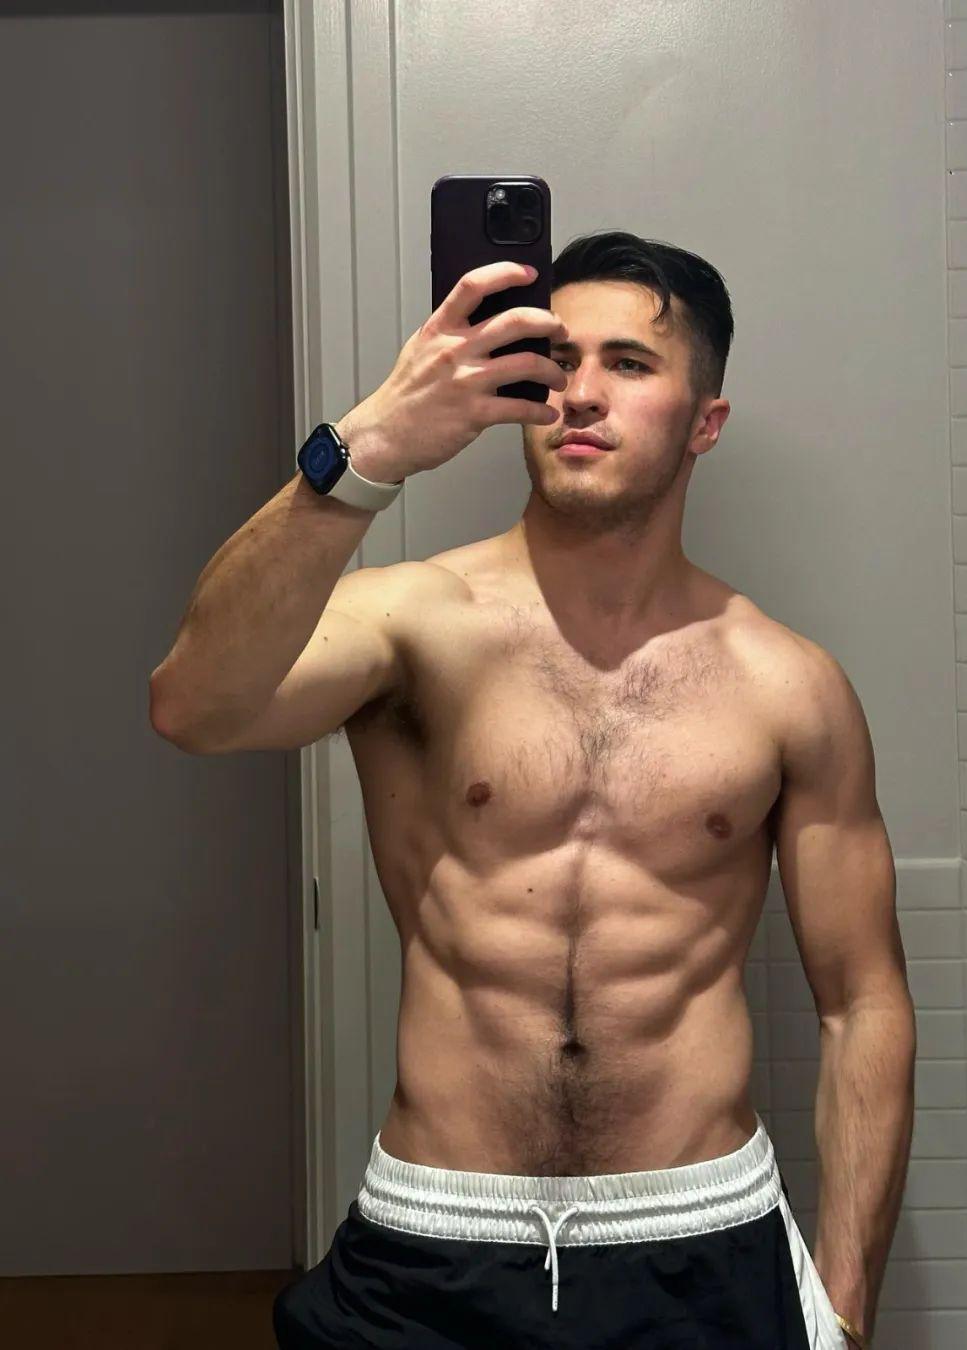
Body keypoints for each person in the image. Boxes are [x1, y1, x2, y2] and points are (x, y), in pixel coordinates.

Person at [150, 230, 915, 1349]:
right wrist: (364, 451)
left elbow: (862, 1006)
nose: (580, 394)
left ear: (705, 423)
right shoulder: (414, 621)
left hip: (702, 1241)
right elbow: (192, 707)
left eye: (630, 364)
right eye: (559, 362)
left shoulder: (788, 685)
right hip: (433, 1245)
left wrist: (842, 1311)